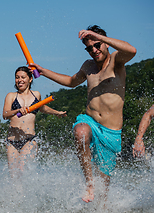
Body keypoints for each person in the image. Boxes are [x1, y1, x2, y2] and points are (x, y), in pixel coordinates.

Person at [30, 25, 136, 203]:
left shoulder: (117, 60)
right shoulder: (88, 66)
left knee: (104, 187)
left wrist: (95, 36)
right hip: (90, 121)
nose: (94, 50)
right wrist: (44, 72)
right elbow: (71, 82)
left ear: (105, 43)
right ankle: (89, 183)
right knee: (80, 131)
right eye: (89, 48)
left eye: (97, 45)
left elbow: (131, 50)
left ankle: (100, 212)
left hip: (111, 131)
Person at [3, 66, 67, 180]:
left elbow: (42, 108)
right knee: (14, 176)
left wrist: (57, 112)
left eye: (23, 77)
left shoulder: (36, 95)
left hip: (29, 139)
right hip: (12, 141)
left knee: (22, 170)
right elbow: (5, 114)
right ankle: (17, 197)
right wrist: (17, 110)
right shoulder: (11, 96)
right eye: (17, 77)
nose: (19, 80)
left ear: (30, 79)